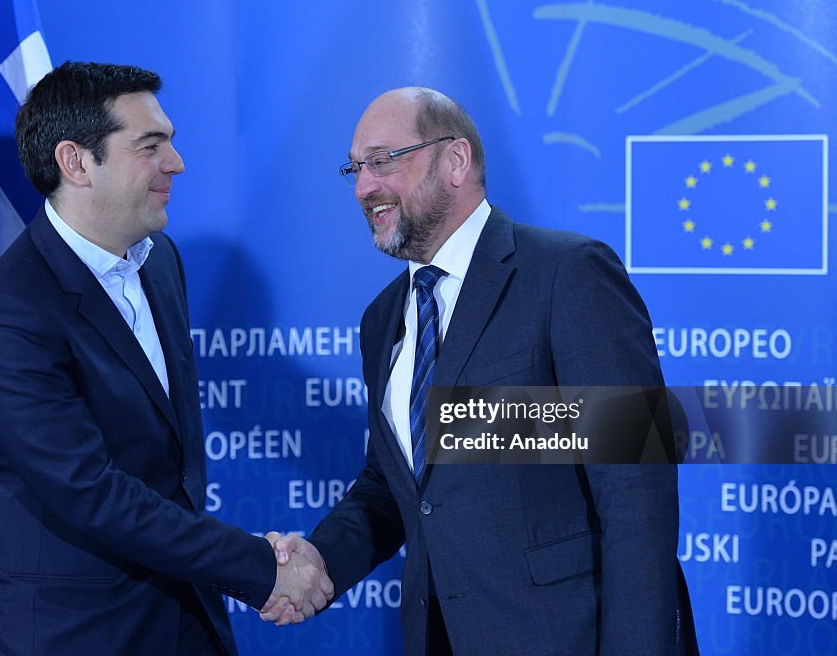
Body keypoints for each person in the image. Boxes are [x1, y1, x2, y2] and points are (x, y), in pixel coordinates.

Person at [264, 87, 698, 655]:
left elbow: (635, 488)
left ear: (456, 160)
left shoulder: (566, 273)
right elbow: (396, 488)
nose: (365, 186)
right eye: (356, 168)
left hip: (569, 637)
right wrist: (320, 559)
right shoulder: (382, 320)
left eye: (383, 160)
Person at [0, 61, 332, 655]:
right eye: (150, 146)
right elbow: (89, 491)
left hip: (180, 620)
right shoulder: (9, 309)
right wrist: (258, 566)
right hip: (65, 635)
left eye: (170, 143)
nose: (176, 164)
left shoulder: (160, 261)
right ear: (76, 162)